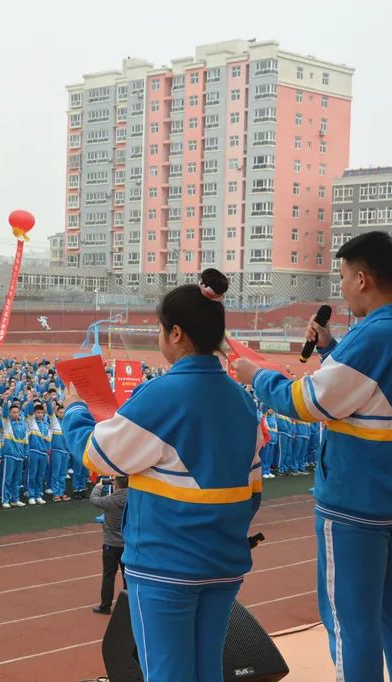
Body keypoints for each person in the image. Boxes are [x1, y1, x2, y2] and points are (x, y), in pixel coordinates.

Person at [234, 231, 392, 682]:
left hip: (357, 506)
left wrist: (257, 375)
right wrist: (330, 348)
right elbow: (371, 392)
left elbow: (308, 403)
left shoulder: (373, 338)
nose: (342, 289)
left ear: (362, 278)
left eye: (344, 278)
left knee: (352, 623)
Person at [63, 268, 261, 682]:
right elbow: (253, 488)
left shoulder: (163, 393)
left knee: (167, 673)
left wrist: (74, 410)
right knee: (208, 670)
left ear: (175, 334)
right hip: (223, 561)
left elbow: (95, 454)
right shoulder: (241, 400)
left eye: (160, 328)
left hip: (167, 565)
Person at [90, 475, 129, 615]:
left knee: (108, 575)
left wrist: (98, 486)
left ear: (116, 484)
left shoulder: (110, 500)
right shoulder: (132, 499)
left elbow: (93, 500)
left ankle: (105, 606)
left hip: (110, 544)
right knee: (127, 576)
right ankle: (129, 605)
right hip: (127, 544)